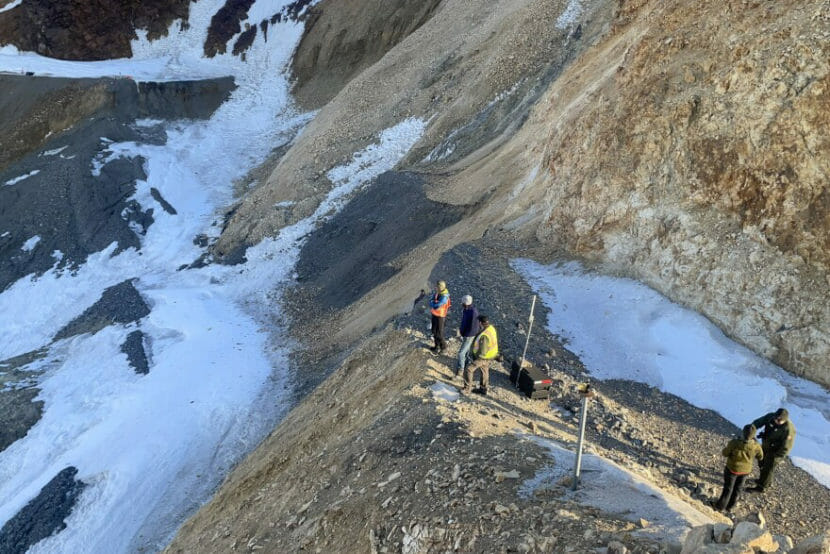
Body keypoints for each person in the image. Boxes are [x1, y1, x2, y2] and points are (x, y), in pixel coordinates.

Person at [713, 424, 763, 512]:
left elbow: (725, 453)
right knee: (738, 489)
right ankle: (730, 507)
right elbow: (761, 457)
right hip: (745, 471)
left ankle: (719, 506)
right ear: (753, 435)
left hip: (732, 469)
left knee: (728, 488)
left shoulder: (734, 442)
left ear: (743, 432)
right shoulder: (756, 446)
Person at [749, 408, 795, 492]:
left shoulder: (788, 429)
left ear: (784, 420)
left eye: (779, 420)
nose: (776, 421)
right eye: (776, 418)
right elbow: (757, 423)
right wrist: (751, 431)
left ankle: (762, 487)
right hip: (766, 445)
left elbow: (786, 447)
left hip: (776, 452)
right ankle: (764, 480)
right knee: (761, 462)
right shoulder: (770, 417)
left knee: (768, 467)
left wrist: (776, 457)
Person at [462, 315, 498, 395]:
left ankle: (467, 389)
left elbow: (483, 350)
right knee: (484, 371)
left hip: (483, 357)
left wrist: (477, 358)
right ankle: (483, 389)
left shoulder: (485, 335)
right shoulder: (491, 328)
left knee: (469, 369)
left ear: (481, 323)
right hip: (490, 356)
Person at [456, 295, 480, 377]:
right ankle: (466, 363)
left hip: (469, 335)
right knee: (466, 350)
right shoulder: (467, 310)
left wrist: (465, 334)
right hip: (467, 334)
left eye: (462, 303)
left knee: (461, 353)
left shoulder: (473, 312)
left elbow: (473, 326)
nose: (461, 304)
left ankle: (461, 369)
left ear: (465, 303)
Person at [428, 280, 451, 353]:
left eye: (437, 286)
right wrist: (432, 302)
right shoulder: (438, 293)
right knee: (434, 331)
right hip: (435, 315)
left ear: (440, 287)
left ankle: (443, 347)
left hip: (440, 316)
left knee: (439, 333)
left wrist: (432, 303)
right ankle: (436, 346)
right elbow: (431, 300)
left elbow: (436, 306)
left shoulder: (445, 296)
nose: (436, 288)